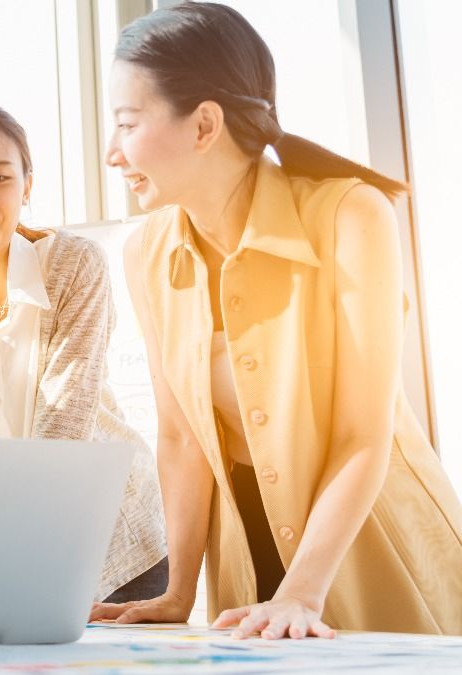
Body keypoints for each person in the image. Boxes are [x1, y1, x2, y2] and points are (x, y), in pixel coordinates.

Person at [90, 1, 462, 638]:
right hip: (249, 582)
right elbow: (181, 439)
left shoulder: (351, 216)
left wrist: (301, 593)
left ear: (204, 125)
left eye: (127, 125)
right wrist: (180, 590)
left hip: (380, 559)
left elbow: (360, 435)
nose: (111, 154)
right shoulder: (144, 254)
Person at [0, 101, 168, 604]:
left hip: (112, 548)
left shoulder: (75, 266)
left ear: (27, 187)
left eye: (0, 178)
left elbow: (64, 430)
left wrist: (16, 566)